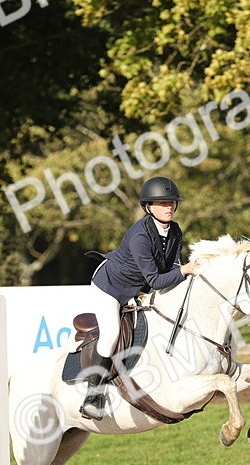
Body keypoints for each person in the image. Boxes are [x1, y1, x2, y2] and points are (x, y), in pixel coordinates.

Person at [81, 176, 198, 420]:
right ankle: (93, 394)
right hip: (110, 287)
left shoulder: (175, 231)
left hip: (138, 288)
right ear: (148, 207)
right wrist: (186, 269)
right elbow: (158, 280)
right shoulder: (140, 236)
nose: (168, 207)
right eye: (161, 203)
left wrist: (185, 272)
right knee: (112, 333)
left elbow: (173, 267)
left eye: (171, 203)